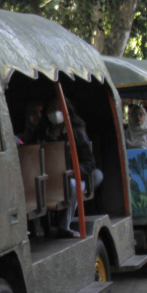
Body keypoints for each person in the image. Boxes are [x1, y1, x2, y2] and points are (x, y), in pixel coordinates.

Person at [45, 100, 103, 237]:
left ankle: (65, 225)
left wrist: (74, 173)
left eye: (58, 109)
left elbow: (89, 162)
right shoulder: (44, 133)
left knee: (73, 186)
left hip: (72, 178)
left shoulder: (76, 133)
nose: (55, 113)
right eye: (52, 109)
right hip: (49, 179)